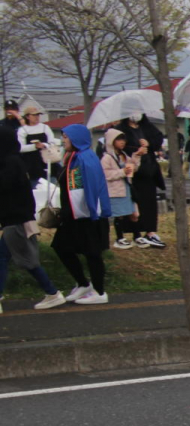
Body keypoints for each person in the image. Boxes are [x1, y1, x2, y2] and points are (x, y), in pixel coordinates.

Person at [0, 127, 65, 313]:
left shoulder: (10, 163)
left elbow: (4, 187)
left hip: (16, 219)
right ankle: (51, 292)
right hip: (18, 219)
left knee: (25, 260)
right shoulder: (13, 161)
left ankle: (52, 293)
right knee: (11, 257)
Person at [52, 124, 112, 305]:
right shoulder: (73, 157)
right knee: (61, 247)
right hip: (73, 214)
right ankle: (83, 283)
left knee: (92, 253)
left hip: (88, 214)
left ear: (76, 138)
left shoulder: (86, 158)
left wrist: (94, 212)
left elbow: (93, 187)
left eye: (66, 137)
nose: (63, 140)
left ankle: (100, 292)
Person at [117, 116, 166, 248]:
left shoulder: (147, 127)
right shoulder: (121, 129)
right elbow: (117, 148)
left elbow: (158, 139)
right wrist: (136, 151)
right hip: (132, 171)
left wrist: (148, 143)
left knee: (149, 202)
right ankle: (135, 233)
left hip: (148, 170)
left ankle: (150, 232)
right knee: (133, 203)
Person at [100, 128, 140, 249]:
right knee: (119, 214)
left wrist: (137, 157)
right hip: (115, 190)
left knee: (133, 213)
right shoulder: (107, 158)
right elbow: (106, 174)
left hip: (126, 188)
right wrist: (122, 172)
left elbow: (133, 169)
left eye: (123, 139)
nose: (122, 142)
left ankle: (137, 235)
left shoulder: (123, 155)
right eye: (118, 139)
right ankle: (119, 238)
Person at [17, 108, 57, 188]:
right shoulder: (22, 130)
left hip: (47, 162)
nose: (37, 117)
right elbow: (20, 148)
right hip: (32, 165)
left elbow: (53, 142)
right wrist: (34, 146)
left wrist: (44, 145)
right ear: (27, 117)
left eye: (38, 115)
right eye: (34, 115)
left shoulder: (45, 127)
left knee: (51, 188)